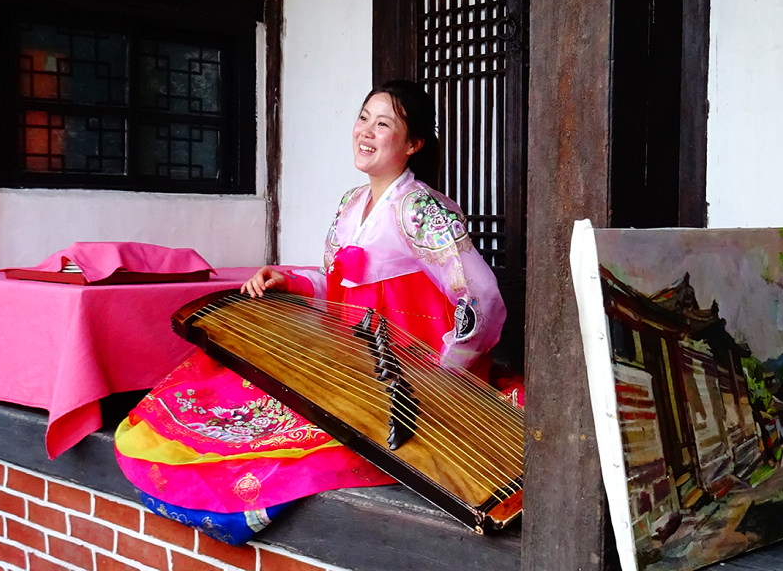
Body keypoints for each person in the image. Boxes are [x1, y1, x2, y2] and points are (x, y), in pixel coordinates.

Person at [114, 80, 510, 545]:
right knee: (229, 397)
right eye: (364, 117)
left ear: (413, 144)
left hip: (405, 368)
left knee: (296, 444)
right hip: (353, 353)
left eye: (384, 124)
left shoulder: (421, 209)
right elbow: (337, 283)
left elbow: (481, 298)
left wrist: (447, 374)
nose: (367, 131)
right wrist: (292, 282)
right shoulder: (351, 203)